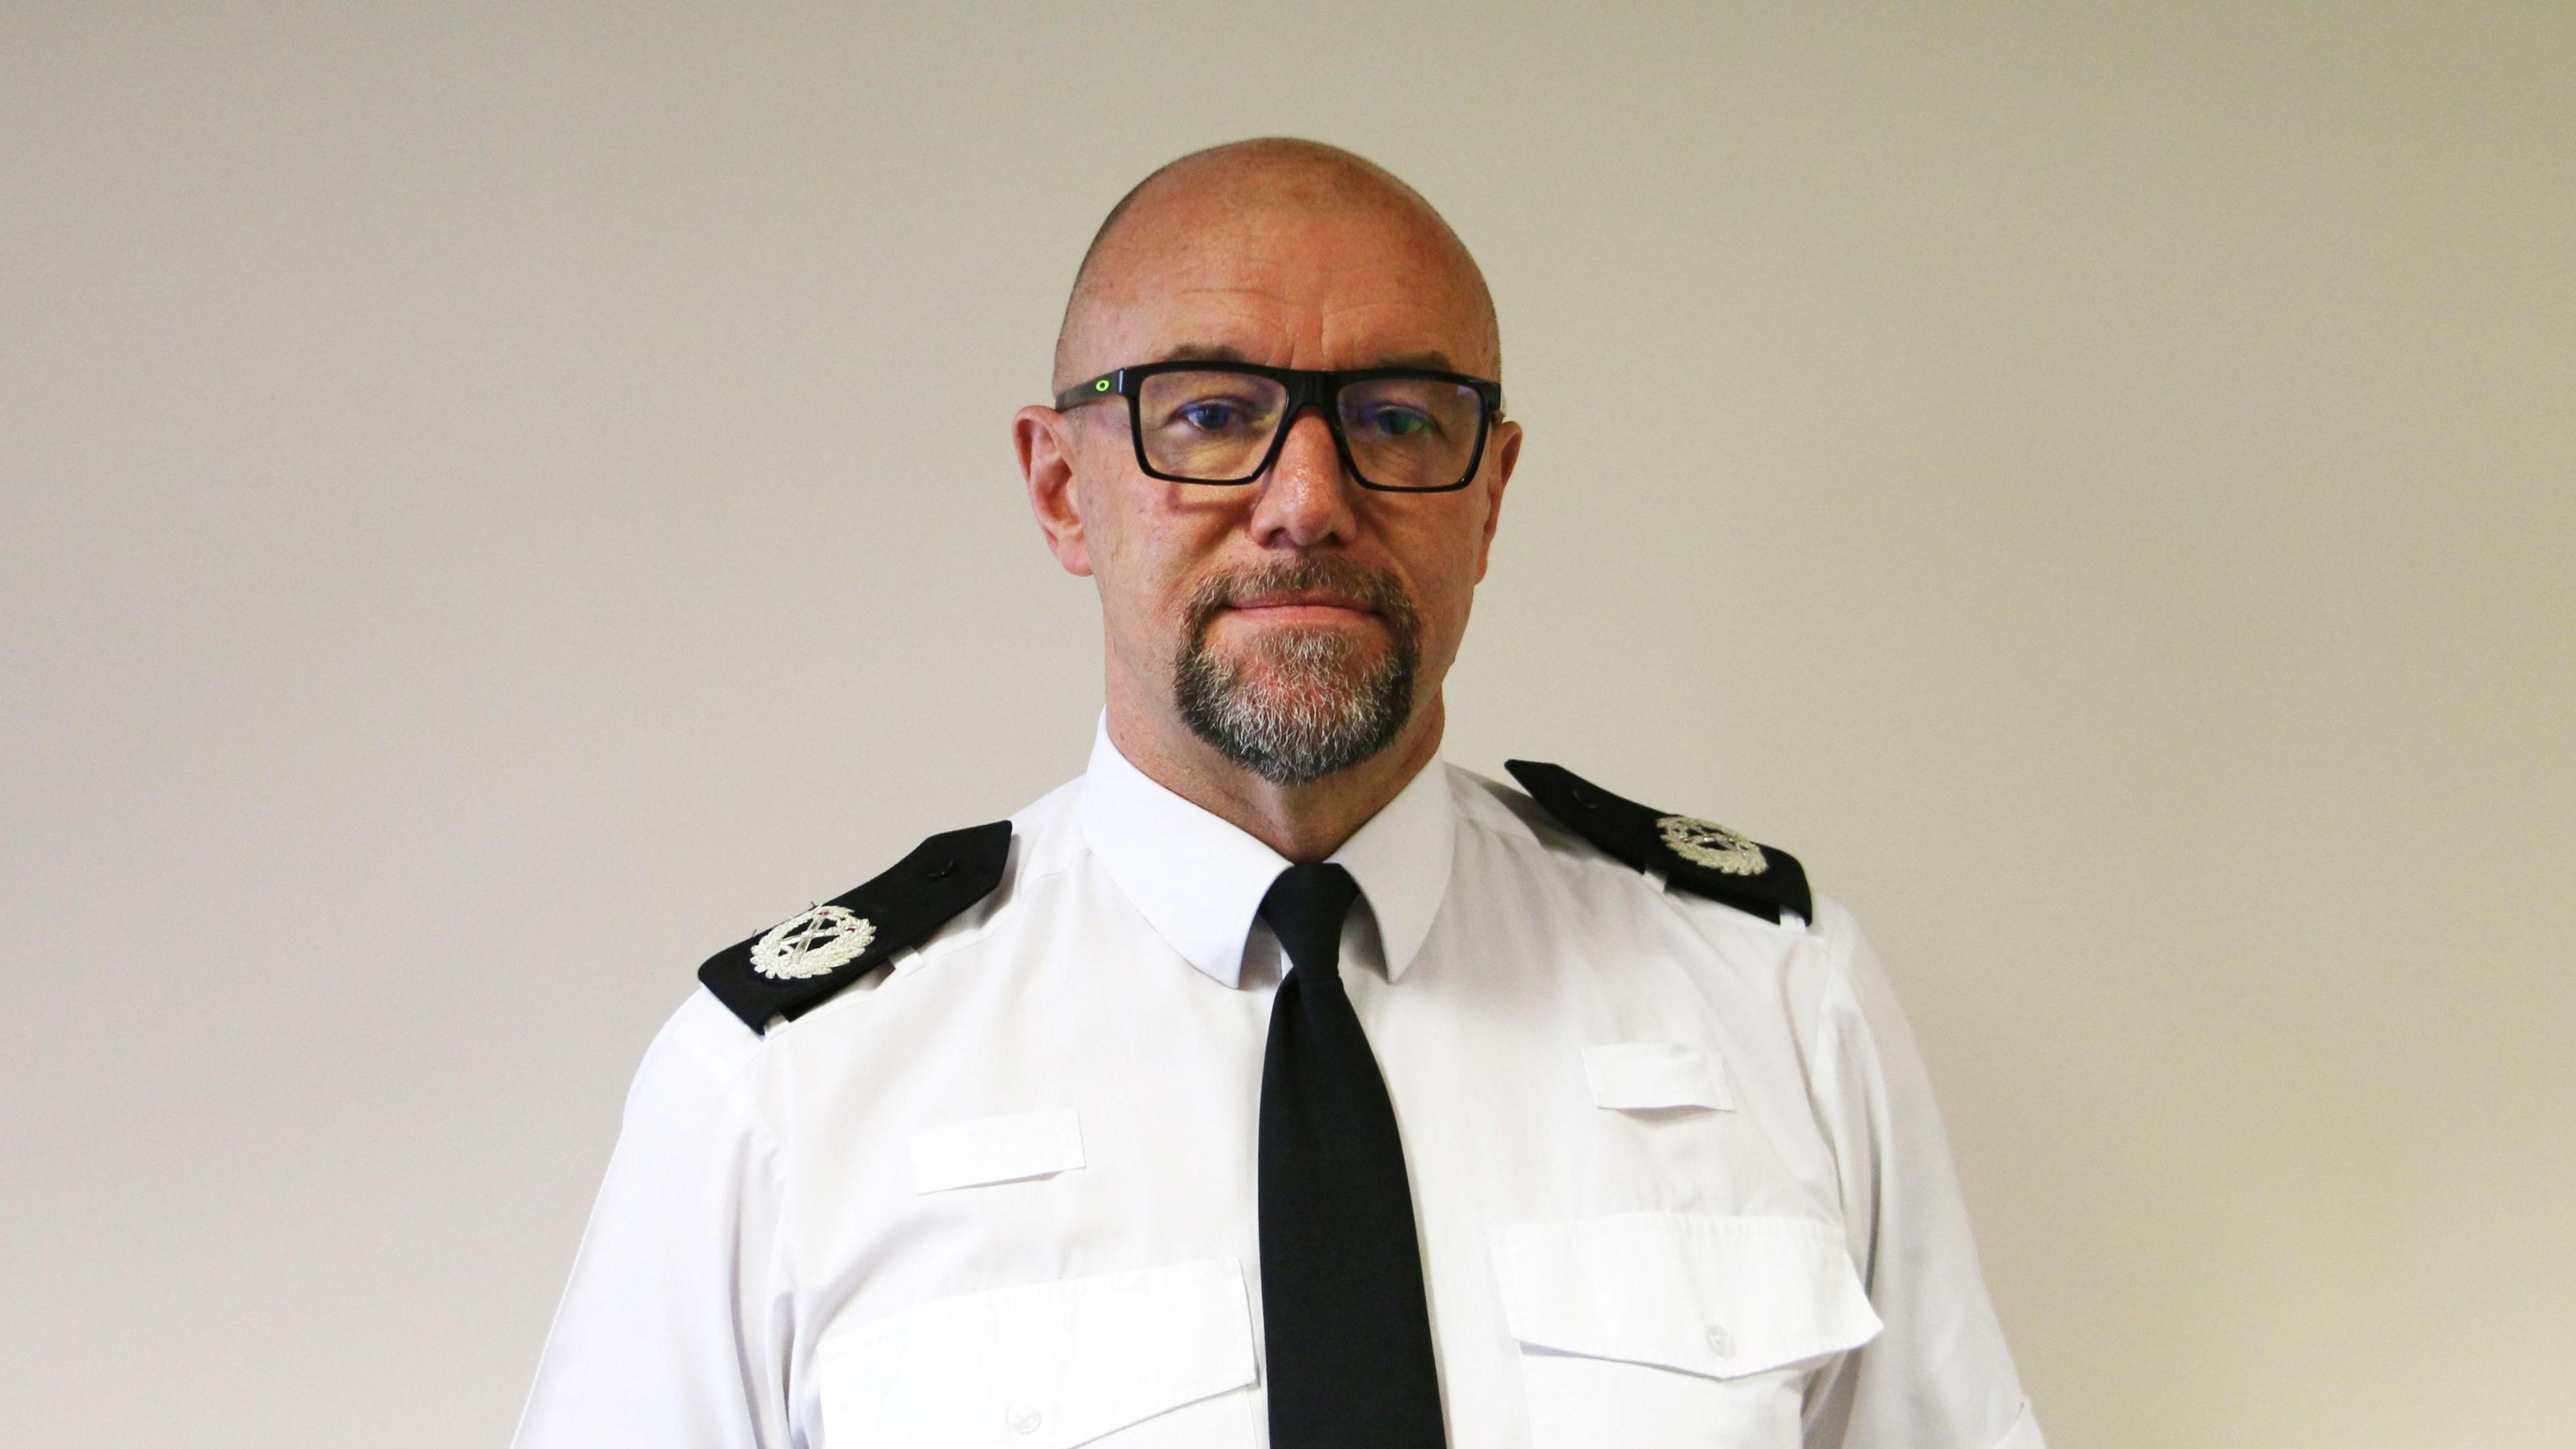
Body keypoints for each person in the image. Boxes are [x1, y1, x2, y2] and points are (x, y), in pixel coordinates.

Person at [514, 138, 2045, 1449]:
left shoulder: (1773, 996)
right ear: (1063, 489)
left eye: (1395, 418)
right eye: (1207, 413)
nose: (1308, 503)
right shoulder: (791, 1085)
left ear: (1490, 491)